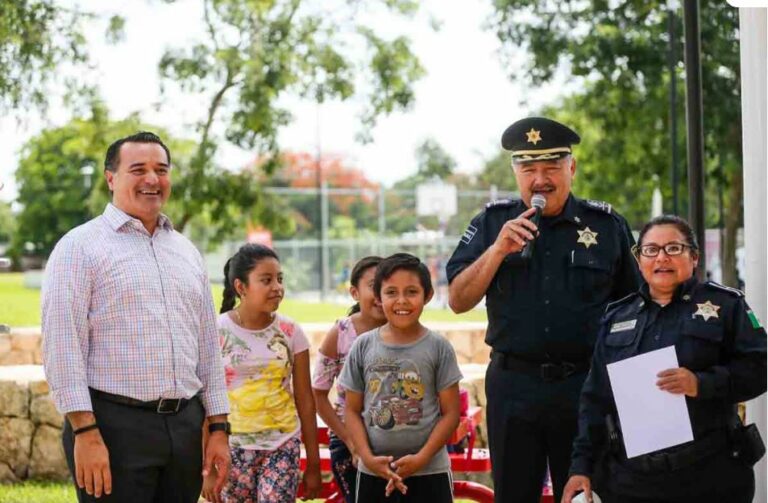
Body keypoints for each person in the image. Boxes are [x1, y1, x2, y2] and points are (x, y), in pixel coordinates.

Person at [446, 117, 641, 503]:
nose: (540, 180)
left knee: (587, 494)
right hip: (514, 386)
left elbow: (634, 310)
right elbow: (457, 299)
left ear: (572, 168)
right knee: (515, 494)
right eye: (529, 169)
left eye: (551, 167)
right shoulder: (492, 223)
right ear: (516, 173)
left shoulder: (605, 226)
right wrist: (498, 251)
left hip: (585, 385)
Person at [41, 131, 230, 502]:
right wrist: (85, 432)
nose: (152, 179)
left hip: (185, 427)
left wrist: (219, 426)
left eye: (161, 169)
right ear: (111, 178)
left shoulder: (186, 252)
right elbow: (63, 349)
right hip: (113, 428)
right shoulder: (78, 248)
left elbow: (208, 347)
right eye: (138, 169)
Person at [562, 215, 767, 503]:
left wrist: (702, 383)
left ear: (694, 256)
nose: (661, 258)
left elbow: (761, 368)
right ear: (639, 259)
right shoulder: (617, 316)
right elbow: (595, 398)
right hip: (632, 481)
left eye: (673, 248)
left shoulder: (726, 306)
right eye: (651, 250)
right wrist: (580, 467)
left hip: (710, 477)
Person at [202, 243, 322, 502]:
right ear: (241, 287)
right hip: (231, 448)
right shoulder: (215, 331)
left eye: (280, 279)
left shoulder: (292, 333)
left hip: (282, 445)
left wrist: (313, 462)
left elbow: (305, 399)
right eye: (266, 280)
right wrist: (207, 468)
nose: (277, 287)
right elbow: (206, 399)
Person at [340, 253, 463, 502]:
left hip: (430, 472)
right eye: (391, 292)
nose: (401, 301)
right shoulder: (363, 347)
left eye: (411, 292)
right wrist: (368, 458)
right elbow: (351, 411)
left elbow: (451, 414)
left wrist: (421, 458)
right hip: (374, 473)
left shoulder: (439, 348)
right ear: (378, 296)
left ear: (427, 296)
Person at [312, 256, 386, 502]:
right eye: (373, 285)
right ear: (354, 292)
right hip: (349, 443)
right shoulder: (341, 334)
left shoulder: (405, 330)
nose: (380, 293)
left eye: (387, 285)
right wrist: (350, 441)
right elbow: (318, 394)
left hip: (395, 441)